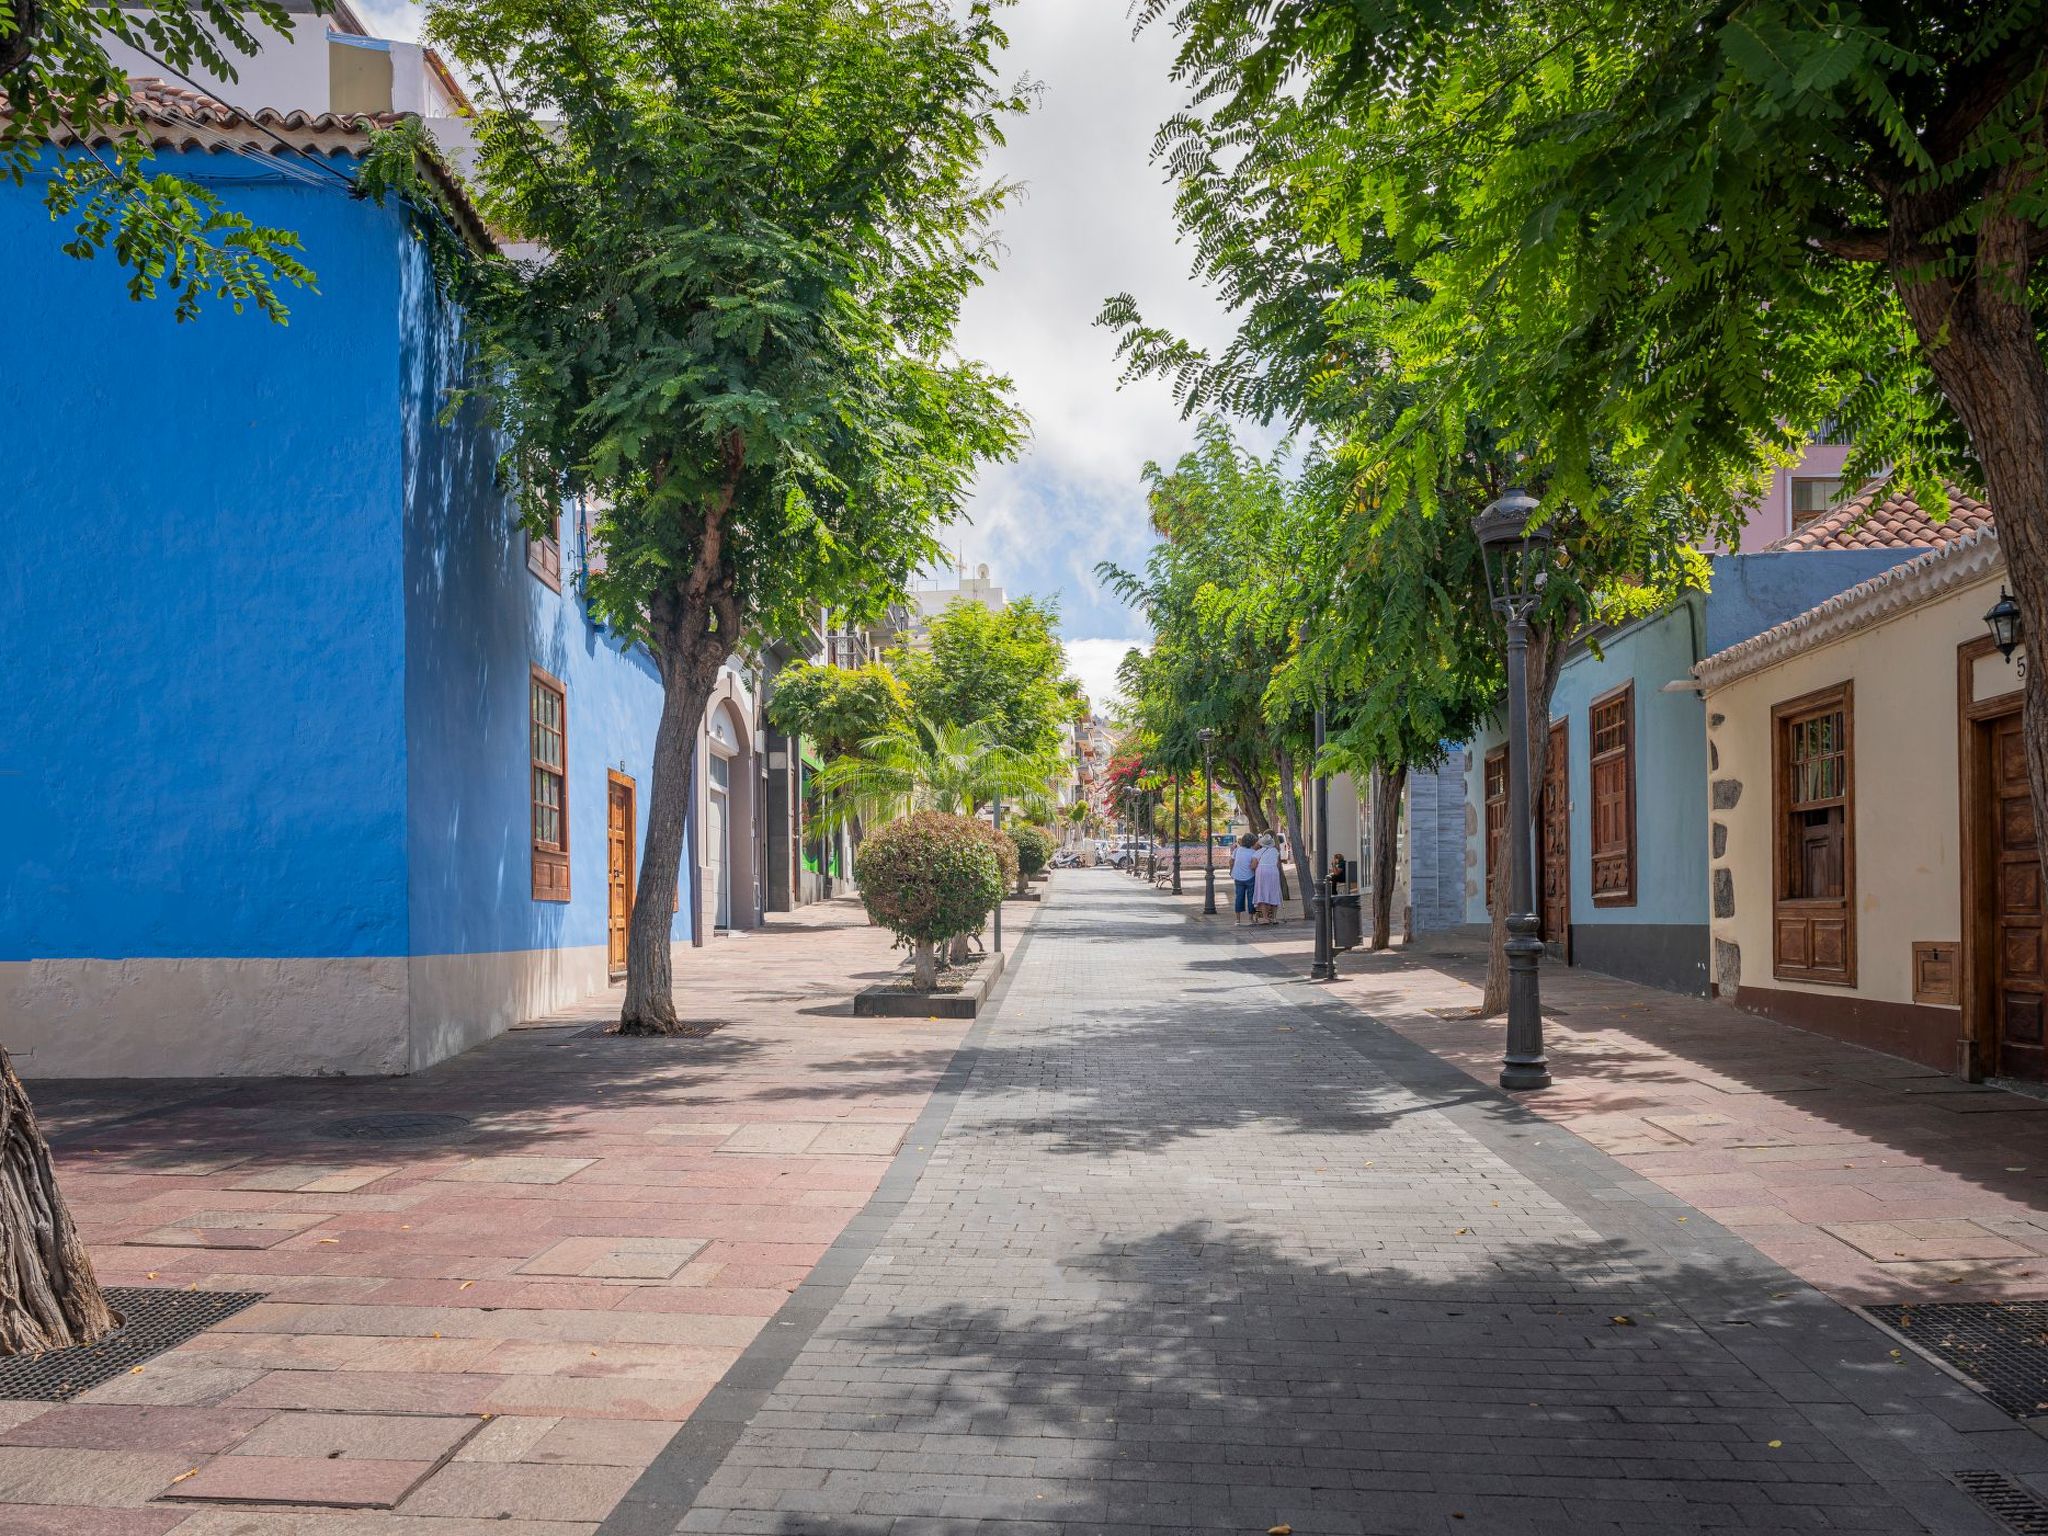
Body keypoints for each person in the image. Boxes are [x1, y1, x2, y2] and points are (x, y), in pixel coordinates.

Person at [1253, 833, 1283, 923]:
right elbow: (1278, 864)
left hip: (1262, 872)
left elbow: (1253, 865)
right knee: (1274, 892)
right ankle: (1274, 918)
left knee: (1262, 893)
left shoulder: (1258, 852)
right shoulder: (1275, 852)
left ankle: (1265, 918)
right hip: (1273, 871)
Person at [1229, 833, 1258, 926]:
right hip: (1250, 877)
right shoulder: (1254, 852)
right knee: (1251, 897)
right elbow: (1254, 866)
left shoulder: (1237, 850)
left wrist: (1231, 870)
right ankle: (1251, 918)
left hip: (1238, 877)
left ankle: (1237, 919)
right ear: (1253, 842)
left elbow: (1231, 861)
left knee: (1239, 897)